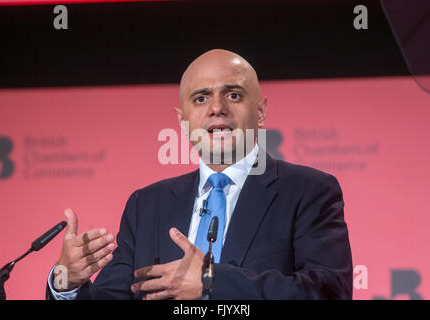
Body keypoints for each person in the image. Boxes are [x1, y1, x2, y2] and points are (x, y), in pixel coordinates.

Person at [46, 49, 353, 300]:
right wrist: (67, 284)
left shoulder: (308, 191)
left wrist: (212, 281)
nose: (216, 108)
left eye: (233, 95)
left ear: (260, 112)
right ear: (183, 122)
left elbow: (327, 292)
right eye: (201, 98)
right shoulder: (147, 204)